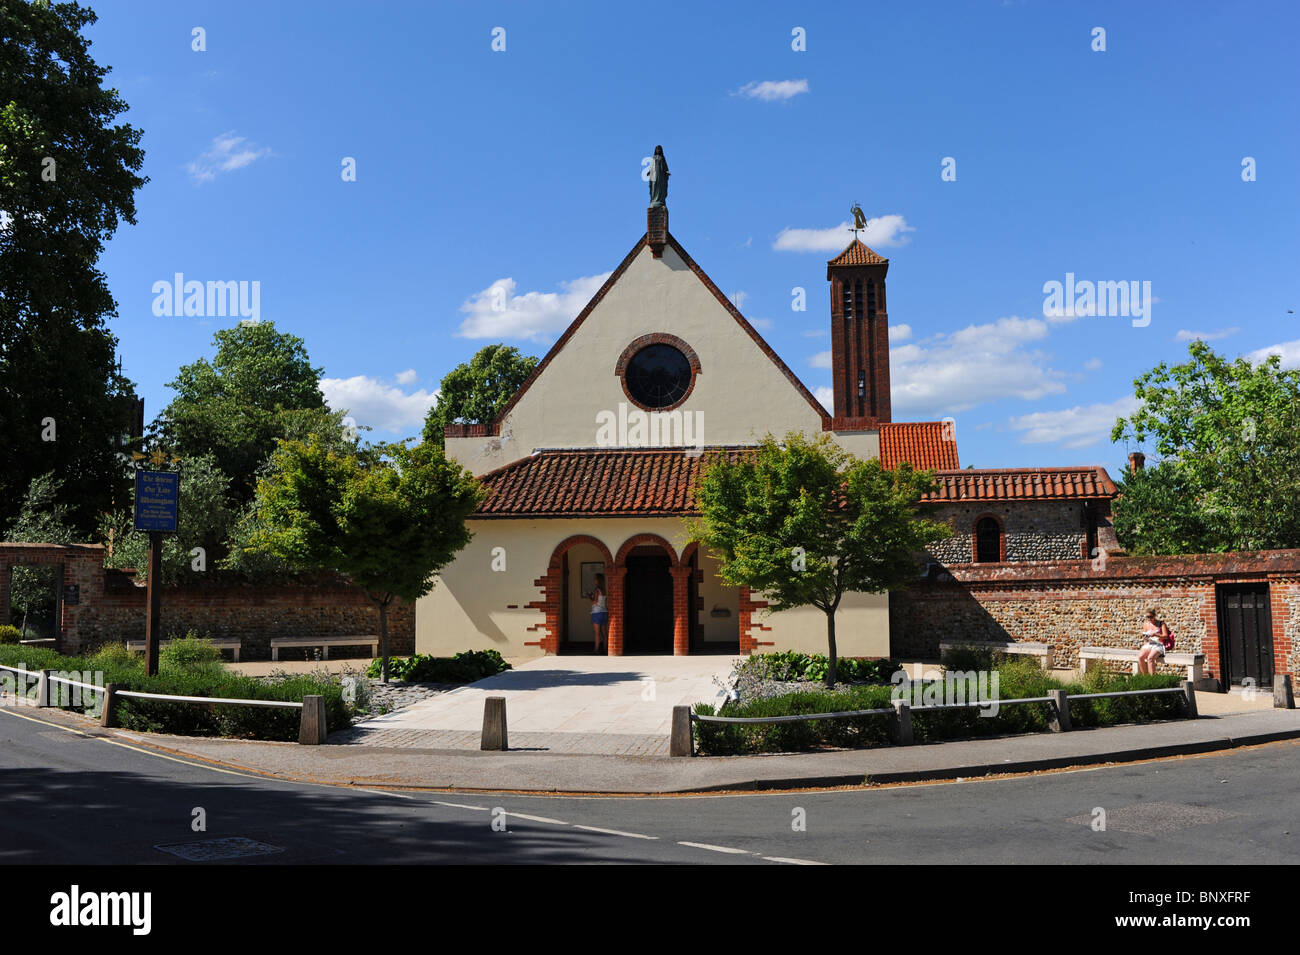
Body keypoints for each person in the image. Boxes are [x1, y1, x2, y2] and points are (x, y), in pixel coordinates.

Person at [1137, 608, 1171, 674]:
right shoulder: (1146, 624)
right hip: (1150, 643)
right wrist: (1145, 637)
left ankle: (1152, 679)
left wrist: (1156, 634)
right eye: (1147, 617)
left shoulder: (1161, 623)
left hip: (1159, 644)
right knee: (1140, 657)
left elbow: (1165, 636)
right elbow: (1144, 635)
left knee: (1150, 658)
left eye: (1151, 617)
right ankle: (1145, 677)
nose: (1149, 619)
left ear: (1154, 616)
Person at [589, 573, 608, 654]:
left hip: (597, 612)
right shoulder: (604, 590)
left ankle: (596, 650)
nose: (594, 580)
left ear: (598, 580)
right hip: (604, 612)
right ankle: (605, 649)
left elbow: (595, 601)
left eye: (595, 579)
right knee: (604, 633)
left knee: (597, 633)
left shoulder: (597, 590)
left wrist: (589, 597)